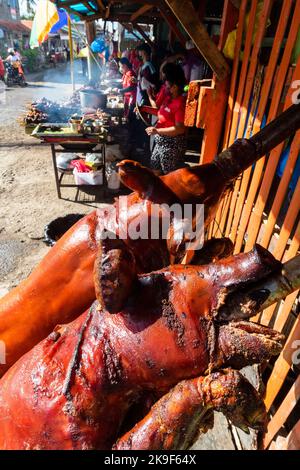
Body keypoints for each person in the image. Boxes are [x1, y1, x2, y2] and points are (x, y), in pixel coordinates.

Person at [146, 63, 187, 174]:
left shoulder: (180, 104)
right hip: (160, 142)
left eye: (168, 85)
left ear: (175, 87)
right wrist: (143, 109)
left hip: (172, 145)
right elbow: (161, 114)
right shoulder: (168, 98)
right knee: (155, 169)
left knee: (169, 176)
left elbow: (180, 129)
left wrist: (157, 130)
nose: (165, 86)